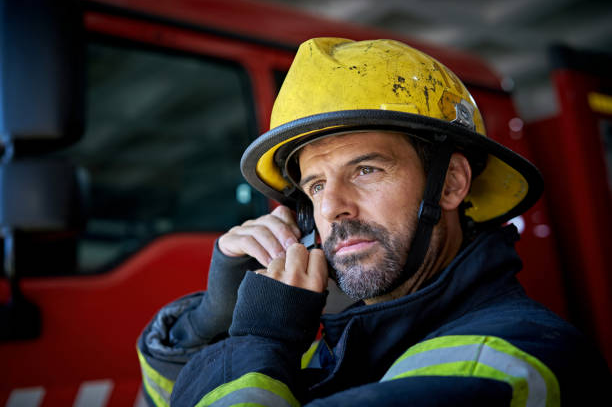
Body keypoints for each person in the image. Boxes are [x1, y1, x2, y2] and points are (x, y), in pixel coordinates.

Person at [137, 38, 611, 406]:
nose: (331, 210)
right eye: (316, 186)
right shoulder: (321, 341)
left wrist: (254, 342)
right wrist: (207, 326)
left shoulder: (501, 363)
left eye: (366, 170)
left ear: (450, 184)